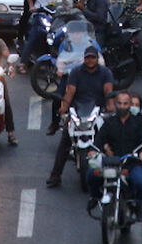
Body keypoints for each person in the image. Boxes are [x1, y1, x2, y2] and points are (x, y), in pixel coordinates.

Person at [46, 46, 113, 186]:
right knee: (65, 140)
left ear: (97, 59)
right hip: (78, 110)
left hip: (98, 111)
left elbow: (108, 91)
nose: (90, 60)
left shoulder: (105, 73)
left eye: (93, 58)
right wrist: (64, 108)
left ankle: (112, 172)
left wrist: (110, 107)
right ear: (84, 58)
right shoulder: (76, 72)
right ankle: (55, 175)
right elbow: (70, 91)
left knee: (108, 138)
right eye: (88, 57)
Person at [89, 90, 142, 219]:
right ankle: (95, 198)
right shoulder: (110, 122)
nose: (122, 106)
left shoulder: (139, 122)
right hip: (111, 162)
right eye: (119, 103)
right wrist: (93, 149)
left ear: (130, 104)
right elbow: (100, 138)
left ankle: (138, 208)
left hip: (131, 163)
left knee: (141, 183)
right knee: (91, 175)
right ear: (115, 104)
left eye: (125, 103)